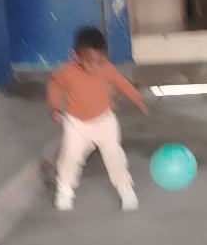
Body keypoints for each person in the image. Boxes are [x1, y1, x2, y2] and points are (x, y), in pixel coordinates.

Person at [47, 26, 148, 212]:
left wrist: (137, 99)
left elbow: (121, 83)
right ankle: (65, 190)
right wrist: (54, 107)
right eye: (90, 62)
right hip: (76, 124)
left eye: (100, 61)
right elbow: (55, 86)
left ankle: (125, 188)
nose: (96, 67)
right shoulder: (67, 72)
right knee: (70, 156)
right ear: (75, 56)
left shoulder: (107, 69)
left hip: (104, 120)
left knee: (114, 154)